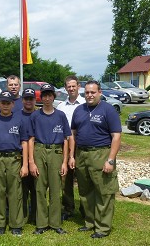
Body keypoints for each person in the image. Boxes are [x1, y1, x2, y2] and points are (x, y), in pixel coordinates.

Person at [71, 80, 121, 239]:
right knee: (85, 191)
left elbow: (116, 136)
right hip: (82, 154)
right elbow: (73, 134)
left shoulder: (108, 110)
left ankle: (103, 227)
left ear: (100, 92)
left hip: (101, 154)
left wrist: (110, 160)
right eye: (87, 92)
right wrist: (72, 155)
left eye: (93, 92)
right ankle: (90, 222)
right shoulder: (79, 110)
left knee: (104, 192)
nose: (90, 95)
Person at [28, 83, 70, 235]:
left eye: (49, 95)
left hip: (56, 152)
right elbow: (31, 139)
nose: (47, 98)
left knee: (55, 188)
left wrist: (65, 161)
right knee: (40, 188)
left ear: (54, 97)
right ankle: (41, 223)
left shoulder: (60, 115)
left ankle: (55, 223)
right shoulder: (35, 115)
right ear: (41, 97)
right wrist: (31, 162)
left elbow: (66, 139)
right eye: (44, 95)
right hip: (39, 151)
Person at [0, 91, 29, 236]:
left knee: (15, 191)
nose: (5, 105)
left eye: (8, 103)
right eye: (2, 103)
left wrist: (25, 164)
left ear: (13, 104)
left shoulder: (19, 120)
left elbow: (24, 142)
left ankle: (15, 224)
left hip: (14, 159)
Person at [56, 75, 86, 221]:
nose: (71, 88)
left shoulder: (86, 103)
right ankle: (68, 208)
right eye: (69, 86)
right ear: (65, 88)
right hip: (65, 145)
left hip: (81, 145)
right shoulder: (61, 106)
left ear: (78, 86)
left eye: (74, 86)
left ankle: (85, 208)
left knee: (82, 177)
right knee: (65, 178)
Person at [20, 88, 37, 224]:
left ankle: (36, 214)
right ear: (22, 100)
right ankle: (24, 214)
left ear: (35, 100)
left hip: (37, 155)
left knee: (37, 187)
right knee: (22, 188)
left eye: (31, 98)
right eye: (26, 99)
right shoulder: (17, 116)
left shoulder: (39, 115)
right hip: (20, 156)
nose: (28, 101)